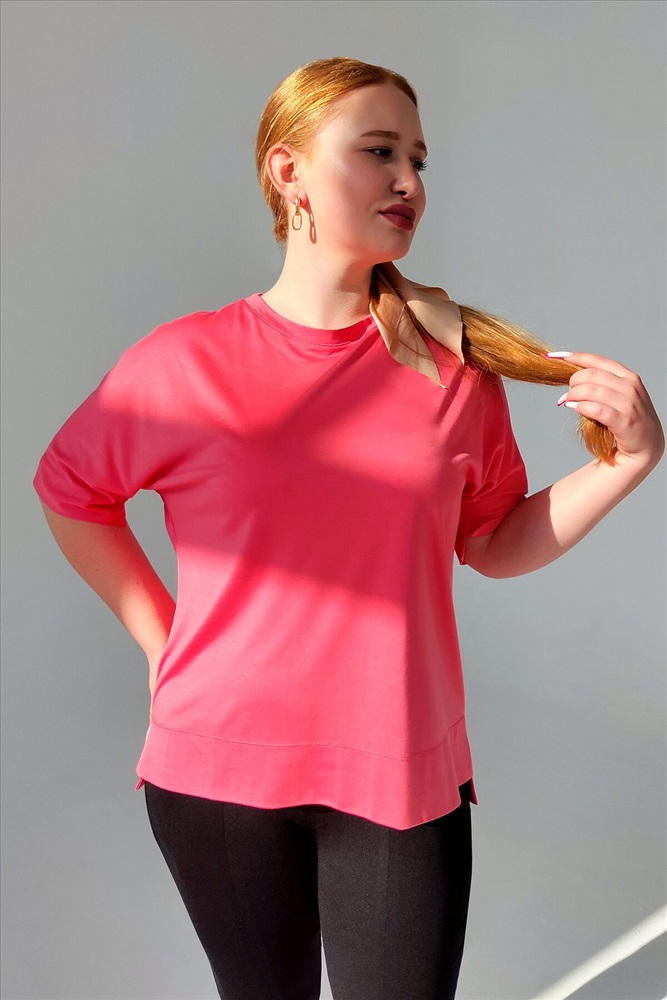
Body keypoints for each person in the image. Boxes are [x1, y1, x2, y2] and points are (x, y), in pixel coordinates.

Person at [33, 57, 664, 1000]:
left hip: (397, 774)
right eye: (378, 152)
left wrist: (625, 465)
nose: (408, 181)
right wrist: (161, 638)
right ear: (287, 171)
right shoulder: (180, 363)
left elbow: (492, 544)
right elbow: (70, 490)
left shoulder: (452, 373)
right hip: (212, 773)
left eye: (418, 159)